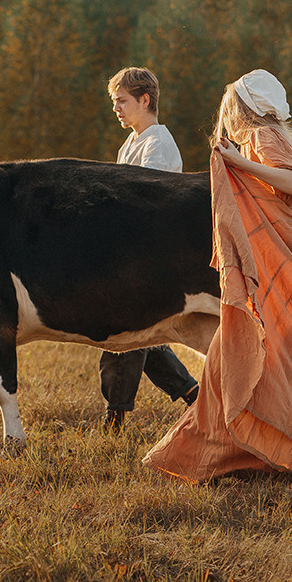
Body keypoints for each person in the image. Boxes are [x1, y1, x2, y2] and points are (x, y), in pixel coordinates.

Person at [142, 69, 292, 492]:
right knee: (284, 361)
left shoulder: (262, 138)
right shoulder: (266, 138)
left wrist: (236, 160)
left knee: (283, 362)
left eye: (230, 108)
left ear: (244, 108)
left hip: (283, 270)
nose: (227, 118)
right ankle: (237, 457)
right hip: (283, 266)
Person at [100, 67, 201, 431]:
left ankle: (115, 415)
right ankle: (193, 395)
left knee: (125, 332)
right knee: (146, 335)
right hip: (130, 253)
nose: (116, 108)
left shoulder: (158, 144)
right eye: (114, 101)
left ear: (145, 100)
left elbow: (147, 205)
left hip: (153, 255)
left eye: (122, 101)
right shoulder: (131, 142)